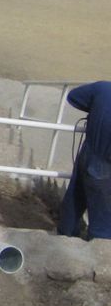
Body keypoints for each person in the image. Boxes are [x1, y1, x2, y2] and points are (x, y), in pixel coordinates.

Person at [58, 80, 111, 240]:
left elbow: (74, 97)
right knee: (104, 217)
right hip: (106, 166)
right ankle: (97, 252)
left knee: (76, 196)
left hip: (88, 153)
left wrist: (95, 107)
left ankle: (64, 236)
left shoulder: (103, 88)